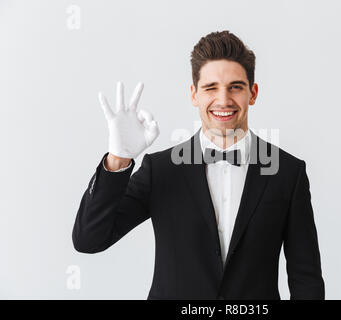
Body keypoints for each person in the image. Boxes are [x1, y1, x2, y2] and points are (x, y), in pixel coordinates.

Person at [72, 30, 325, 300]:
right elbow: (89, 239)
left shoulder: (287, 173)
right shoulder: (161, 170)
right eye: (210, 88)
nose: (224, 100)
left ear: (253, 93)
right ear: (194, 95)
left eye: (235, 87)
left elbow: (305, 277)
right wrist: (118, 158)